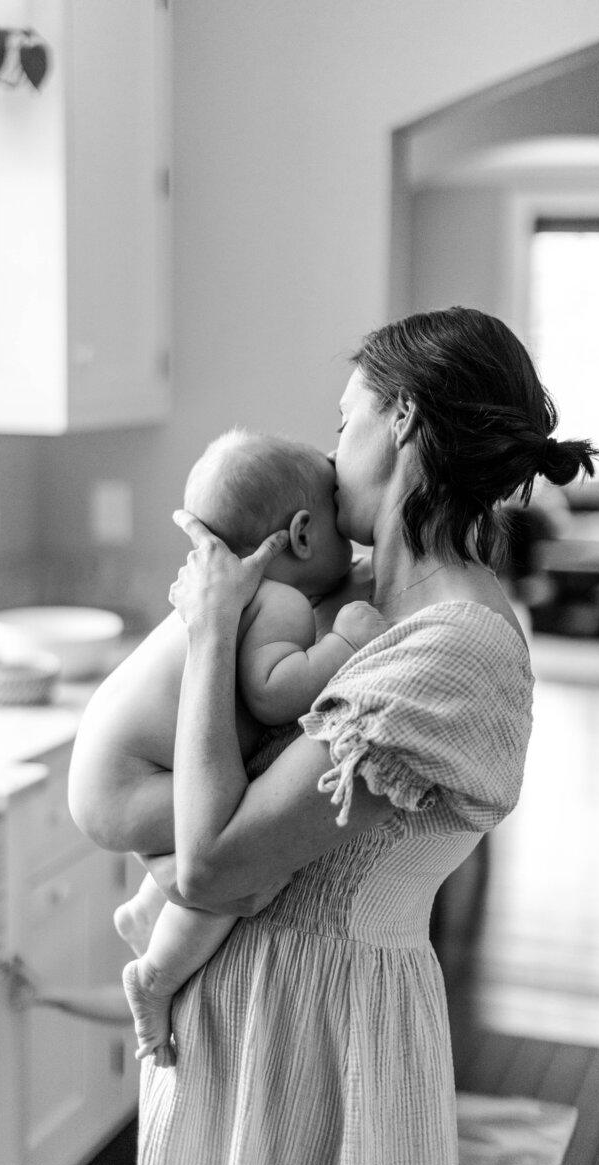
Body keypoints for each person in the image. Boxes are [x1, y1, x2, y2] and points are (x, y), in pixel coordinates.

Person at [69, 307, 599, 1165]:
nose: (329, 448)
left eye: (343, 418)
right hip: (243, 1034)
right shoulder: (355, 597)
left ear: (403, 422)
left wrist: (210, 629)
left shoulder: (451, 652)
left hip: (320, 1048)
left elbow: (211, 867)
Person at [87, 428, 387, 1066]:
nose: (355, 541)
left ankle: (146, 907)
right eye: (341, 521)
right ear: (305, 534)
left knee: (223, 817)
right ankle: (156, 972)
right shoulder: (276, 601)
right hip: (130, 782)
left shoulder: (243, 595)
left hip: (109, 767)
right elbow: (274, 693)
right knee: (247, 854)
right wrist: (346, 644)